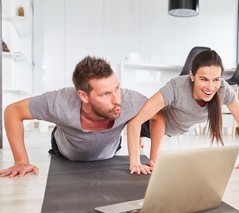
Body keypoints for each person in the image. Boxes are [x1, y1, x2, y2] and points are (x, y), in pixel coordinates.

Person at [0, 56, 147, 178]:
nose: (117, 99)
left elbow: (159, 113)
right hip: (66, 151)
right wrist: (21, 161)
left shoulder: (129, 99)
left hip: (109, 148)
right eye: (105, 94)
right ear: (83, 96)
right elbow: (13, 112)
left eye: (117, 88)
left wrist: (138, 133)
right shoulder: (59, 102)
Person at [128, 49, 239, 175]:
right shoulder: (176, 87)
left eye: (216, 79)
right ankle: (140, 137)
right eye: (204, 79)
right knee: (154, 118)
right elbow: (136, 121)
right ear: (192, 76)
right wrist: (136, 162)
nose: (211, 87)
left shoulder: (223, 89)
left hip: (176, 129)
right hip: (151, 124)